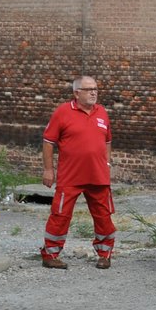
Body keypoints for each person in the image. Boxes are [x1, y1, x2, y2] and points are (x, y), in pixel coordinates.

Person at [40, 75, 115, 269]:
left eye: (96, 89)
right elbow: (48, 142)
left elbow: (107, 141)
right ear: (76, 93)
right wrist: (49, 170)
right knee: (60, 215)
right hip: (70, 176)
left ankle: (105, 254)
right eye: (88, 89)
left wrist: (106, 164)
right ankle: (50, 255)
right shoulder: (63, 112)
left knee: (103, 216)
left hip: (98, 176)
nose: (93, 93)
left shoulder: (102, 113)